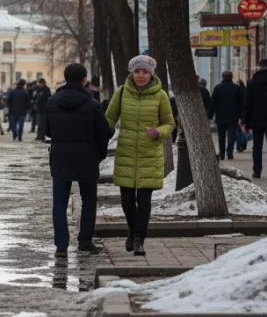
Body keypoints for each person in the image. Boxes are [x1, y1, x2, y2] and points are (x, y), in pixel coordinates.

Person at [104, 55, 174, 257]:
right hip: (126, 152)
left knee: (144, 201)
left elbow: (169, 123)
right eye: (137, 71)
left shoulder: (160, 96)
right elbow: (109, 117)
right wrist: (100, 130)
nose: (141, 75)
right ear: (131, 73)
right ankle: (132, 230)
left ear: (151, 74)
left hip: (149, 155)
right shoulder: (122, 92)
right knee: (127, 201)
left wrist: (158, 132)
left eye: (144, 72)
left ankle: (139, 240)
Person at [47, 63, 110, 256]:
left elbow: (48, 131)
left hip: (60, 157)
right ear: (84, 80)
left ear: (66, 78)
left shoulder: (52, 102)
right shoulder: (93, 105)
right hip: (87, 157)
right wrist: (99, 154)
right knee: (89, 200)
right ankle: (85, 240)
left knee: (59, 203)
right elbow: (103, 134)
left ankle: (61, 246)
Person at [244, 59, 267, 179]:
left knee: (257, 146)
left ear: (258, 67)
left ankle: (257, 171)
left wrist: (246, 122)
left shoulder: (252, 82)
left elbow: (247, 103)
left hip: (256, 119)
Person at [211, 71, 243, 161]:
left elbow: (213, 102)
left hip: (220, 116)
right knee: (232, 136)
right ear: (231, 77)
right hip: (233, 116)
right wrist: (241, 116)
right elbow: (240, 103)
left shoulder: (217, 88)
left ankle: (222, 154)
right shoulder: (236, 88)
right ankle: (230, 153)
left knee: (221, 136)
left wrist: (210, 114)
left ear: (222, 77)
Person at [33, 78, 53, 143]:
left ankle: (43, 137)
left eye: (40, 83)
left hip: (44, 109)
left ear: (43, 83)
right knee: (39, 124)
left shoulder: (46, 90)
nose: (39, 84)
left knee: (43, 124)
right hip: (39, 109)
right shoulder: (38, 89)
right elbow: (36, 98)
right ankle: (39, 136)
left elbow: (48, 98)